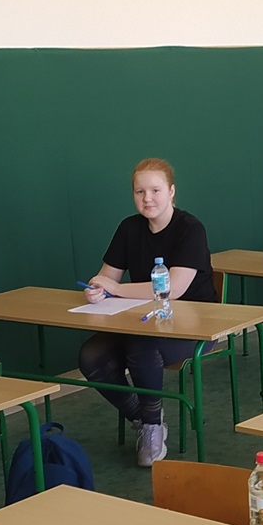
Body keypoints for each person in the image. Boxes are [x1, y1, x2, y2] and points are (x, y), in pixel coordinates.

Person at [79, 157, 216, 465]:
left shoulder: (190, 228)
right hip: (144, 321)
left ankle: (153, 428)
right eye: (140, 192)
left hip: (196, 324)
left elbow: (174, 289)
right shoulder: (129, 228)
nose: (147, 199)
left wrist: (115, 288)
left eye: (155, 190)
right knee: (91, 356)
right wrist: (97, 289)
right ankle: (143, 419)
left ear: (171, 192)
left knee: (141, 346)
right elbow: (107, 277)